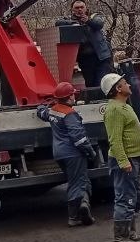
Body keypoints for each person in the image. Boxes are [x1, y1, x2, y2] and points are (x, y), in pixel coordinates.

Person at [101, 72, 140, 242]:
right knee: (125, 198)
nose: (129, 84)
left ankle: (130, 234)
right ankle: (120, 240)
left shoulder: (123, 106)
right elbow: (114, 140)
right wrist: (123, 161)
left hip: (133, 158)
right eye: (124, 83)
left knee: (134, 197)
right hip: (125, 160)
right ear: (118, 89)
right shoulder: (114, 110)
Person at [36, 81, 97, 228]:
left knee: (79, 179)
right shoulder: (70, 114)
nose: (74, 97)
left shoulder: (53, 111)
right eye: (73, 95)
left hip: (59, 153)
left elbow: (41, 113)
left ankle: (84, 204)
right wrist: (90, 151)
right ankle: (74, 216)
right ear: (69, 97)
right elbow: (79, 137)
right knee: (77, 183)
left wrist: (41, 106)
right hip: (73, 154)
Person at [58, 0, 114, 90]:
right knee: (90, 84)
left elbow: (99, 24)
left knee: (101, 82)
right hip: (85, 59)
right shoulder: (69, 20)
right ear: (72, 10)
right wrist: (73, 23)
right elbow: (58, 23)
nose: (79, 9)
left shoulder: (94, 16)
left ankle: (102, 101)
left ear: (86, 8)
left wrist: (88, 21)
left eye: (82, 7)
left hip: (101, 57)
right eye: (77, 8)